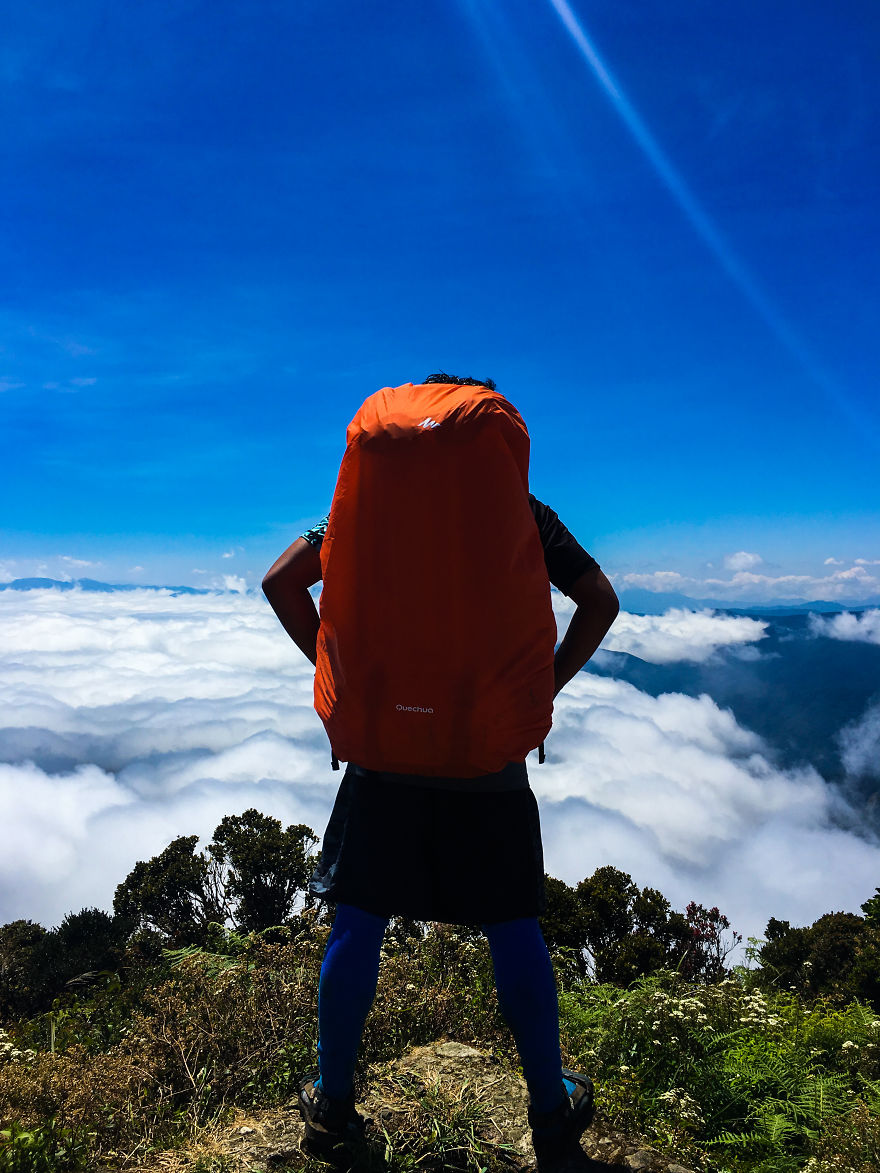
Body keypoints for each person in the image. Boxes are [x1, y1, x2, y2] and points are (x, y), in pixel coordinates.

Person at [262, 372, 619, 1168]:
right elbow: (600, 600)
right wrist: (538, 689)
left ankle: (331, 1108)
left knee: (357, 919)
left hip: (382, 755)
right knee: (513, 924)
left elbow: (281, 580)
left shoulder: (365, 510)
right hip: (483, 755)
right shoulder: (520, 511)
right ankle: (550, 1115)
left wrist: (339, 676)